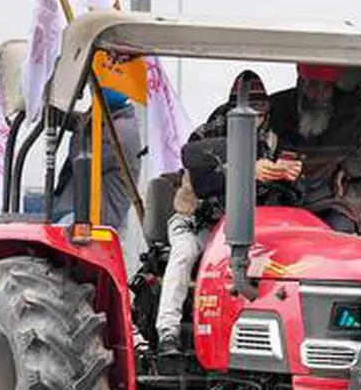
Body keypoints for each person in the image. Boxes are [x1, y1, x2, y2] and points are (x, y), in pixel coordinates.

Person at [155, 71, 301, 354]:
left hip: (254, 228)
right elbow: (200, 178)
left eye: (260, 110)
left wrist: (289, 172)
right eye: (250, 110)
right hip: (200, 221)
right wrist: (249, 170)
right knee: (183, 253)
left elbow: (293, 176)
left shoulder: (276, 139)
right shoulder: (205, 136)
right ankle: (168, 332)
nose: (256, 118)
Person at [269, 63, 361, 233]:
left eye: (326, 87)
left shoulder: (356, 111)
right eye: (313, 85)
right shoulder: (276, 108)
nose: (318, 95)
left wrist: (351, 167)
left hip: (336, 202)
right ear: (300, 81)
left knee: (335, 239)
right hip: (285, 200)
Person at [53, 88, 143, 230]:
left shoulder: (120, 131)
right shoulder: (111, 119)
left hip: (95, 218)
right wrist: (55, 114)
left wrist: (80, 127)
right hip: (80, 211)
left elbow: (80, 154)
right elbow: (82, 121)